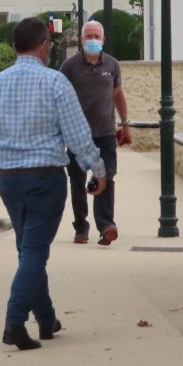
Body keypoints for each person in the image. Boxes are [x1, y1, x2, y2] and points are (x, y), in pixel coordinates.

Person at [0, 16, 107, 351]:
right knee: (33, 252)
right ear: (44, 45)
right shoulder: (55, 83)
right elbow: (78, 137)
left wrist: (12, 143)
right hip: (46, 178)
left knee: (27, 249)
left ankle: (46, 319)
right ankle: (14, 322)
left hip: (9, 180)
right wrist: (99, 170)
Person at [60, 19, 132, 247]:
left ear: (103, 40)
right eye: (88, 37)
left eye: (96, 37)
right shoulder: (69, 67)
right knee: (78, 181)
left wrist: (125, 123)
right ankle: (81, 227)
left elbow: (118, 94)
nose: (92, 41)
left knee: (106, 178)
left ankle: (106, 225)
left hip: (105, 133)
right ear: (82, 40)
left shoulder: (112, 65)